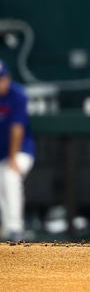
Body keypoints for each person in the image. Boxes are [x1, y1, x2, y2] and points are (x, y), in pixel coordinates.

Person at [0, 59, 34, 242]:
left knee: (10, 176)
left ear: (8, 77)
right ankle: (7, 230)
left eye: (2, 79)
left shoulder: (17, 94)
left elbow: (17, 129)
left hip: (21, 152)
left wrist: (13, 157)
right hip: (2, 154)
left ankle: (15, 229)